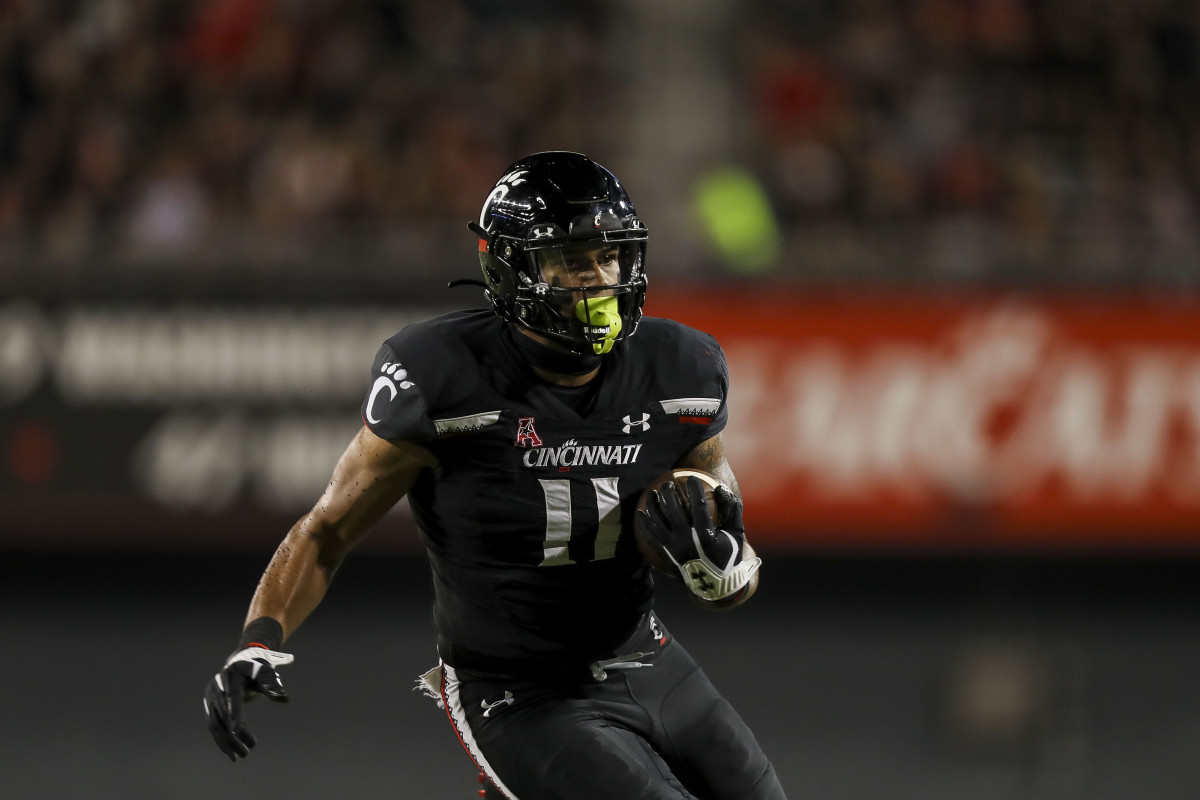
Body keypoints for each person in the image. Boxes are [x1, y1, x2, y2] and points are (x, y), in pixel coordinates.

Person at [203, 151, 787, 800]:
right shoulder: (441, 378)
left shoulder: (684, 369)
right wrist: (257, 641)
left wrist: (723, 568)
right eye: (571, 260)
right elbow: (326, 532)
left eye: (608, 255)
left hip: (646, 658)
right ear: (509, 270)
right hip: (517, 688)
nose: (597, 278)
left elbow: (730, 556)